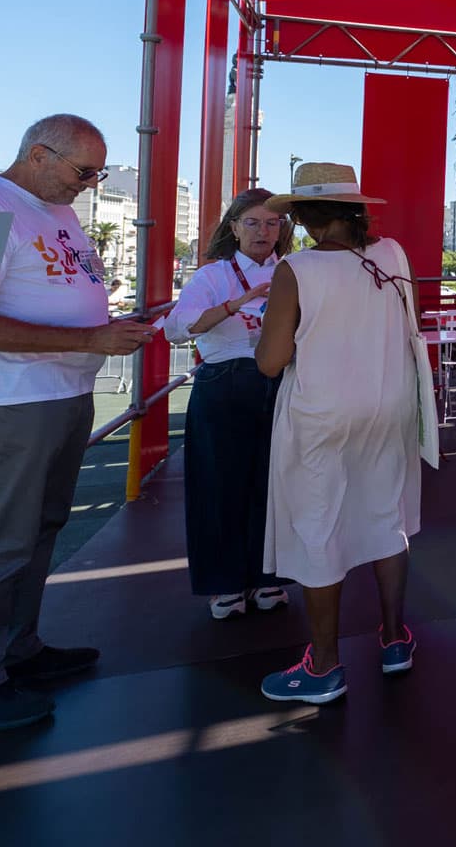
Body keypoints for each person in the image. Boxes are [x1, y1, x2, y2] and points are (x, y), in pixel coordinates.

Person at [0, 114, 158, 731]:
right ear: (38, 154)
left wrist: (102, 331)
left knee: (39, 530)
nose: (91, 184)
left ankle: (15, 650)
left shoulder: (53, 209)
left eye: (98, 173)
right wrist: (91, 334)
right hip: (12, 400)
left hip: (63, 391)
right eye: (83, 171)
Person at [253, 163, 422, 704]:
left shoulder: (297, 269)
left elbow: (271, 362)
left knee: (317, 523)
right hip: (389, 406)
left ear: (303, 216)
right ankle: (394, 638)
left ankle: (324, 666)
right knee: (386, 513)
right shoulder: (392, 255)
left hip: (322, 414)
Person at [164, 188, 294, 620]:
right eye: (252, 222)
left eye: (272, 223)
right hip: (223, 382)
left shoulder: (294, 271)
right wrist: (235, 304)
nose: (263, 231)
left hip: (280, 382)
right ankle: (225, 584)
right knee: (218, 485)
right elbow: (178, 331)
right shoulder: (211, 276)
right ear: (233, 227)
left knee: (275, 483)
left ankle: (269, 577)